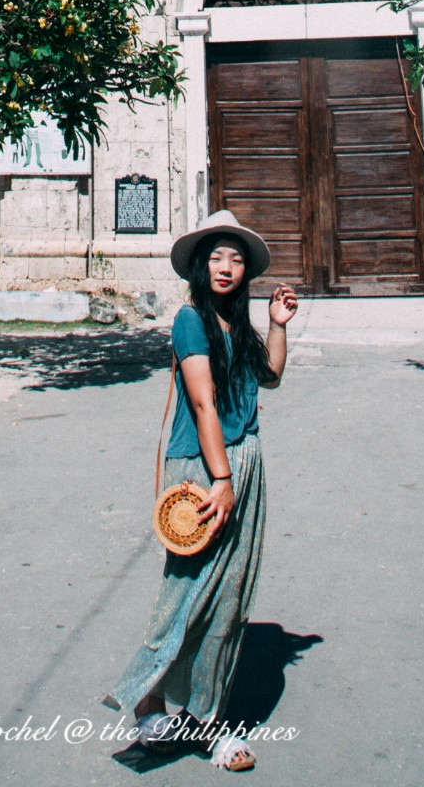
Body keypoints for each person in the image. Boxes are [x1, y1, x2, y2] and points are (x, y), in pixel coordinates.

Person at [107, 209, 299, 772]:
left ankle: (207, 717)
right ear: (198, 265)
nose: (226, 267)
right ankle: (147, 699)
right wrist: (221, 480)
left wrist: (279, 323)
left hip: (244, 462)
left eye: (236, 259)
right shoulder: (190, 320)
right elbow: (202, 403)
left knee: (232, 597)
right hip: (202, 469)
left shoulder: (237, 324)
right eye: (216, 256)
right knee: (187, 590)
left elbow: (271, 378)